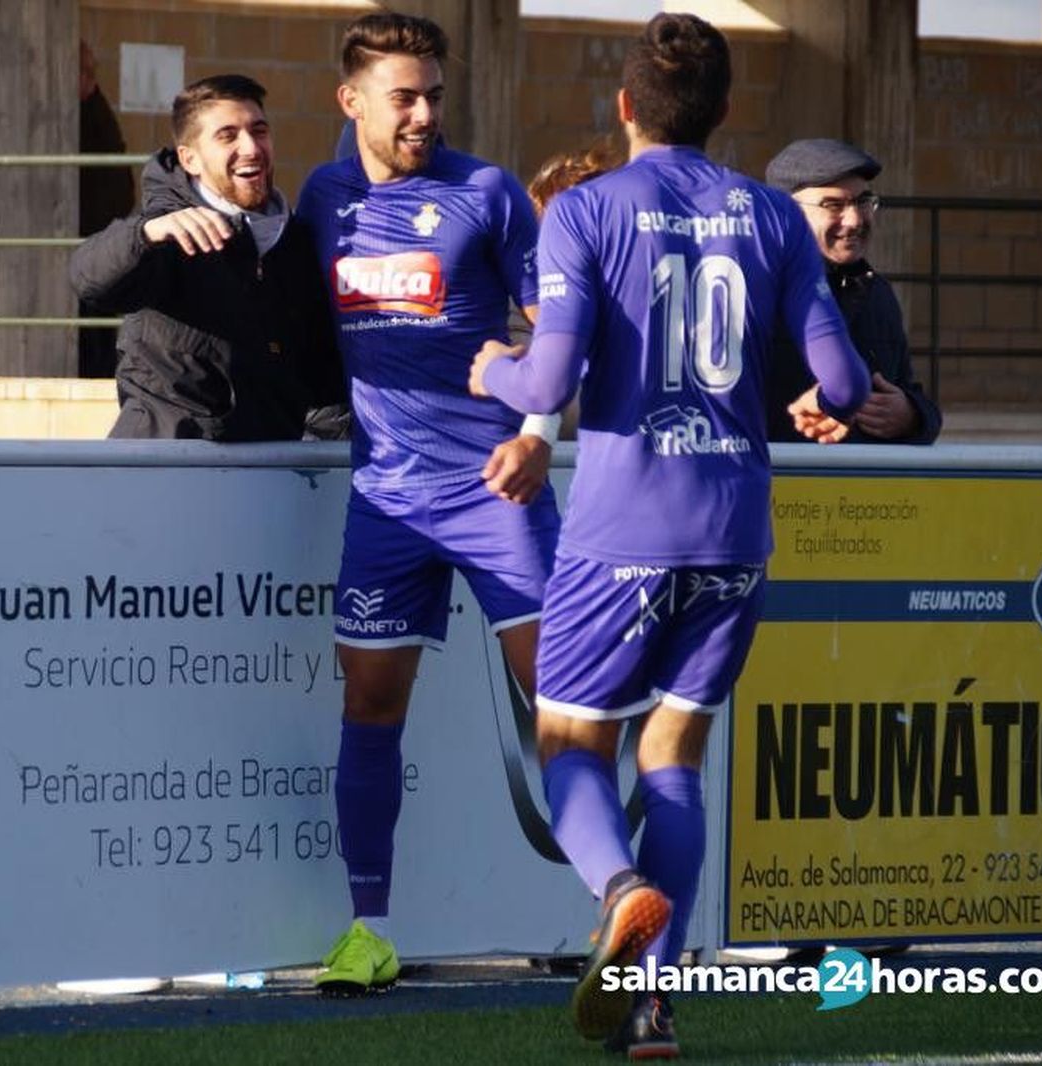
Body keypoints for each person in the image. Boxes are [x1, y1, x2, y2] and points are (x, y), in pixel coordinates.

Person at [470, 13, 870, 1057]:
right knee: (673, 757)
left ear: (623, 106)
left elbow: (549, 378)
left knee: (569, 743)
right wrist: (818, 404)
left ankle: (620, 890)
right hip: (734, 535)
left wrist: (492, 369)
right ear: (724, 109)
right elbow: (843, 381)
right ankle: (652, 1004)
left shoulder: (586, 208)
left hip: (622, 531)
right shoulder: (771, 214)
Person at [295, 11, 562, 996]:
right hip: (387, 499)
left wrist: (538, 433)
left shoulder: (486, 191)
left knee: (563, 702)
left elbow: (560, 330)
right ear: (350, 101)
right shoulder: (323, 198)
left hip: (494, 487)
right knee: (369, 705)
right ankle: (368, 930)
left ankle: (626, 906)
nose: (423, 115)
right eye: (402, 97)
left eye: (434, 96)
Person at [68, 74, 347, 441]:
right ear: (190, 159)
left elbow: (321, 377)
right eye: (227, 136)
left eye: (259, 131)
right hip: (168, 463)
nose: (251, 148)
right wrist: (146, 235)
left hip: (270, 466)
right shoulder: (165, 234)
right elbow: (89, 278)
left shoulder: (296, 244)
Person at [764, 138, 942, 444]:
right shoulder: (754, 292)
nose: (855, 220)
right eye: (833, 205)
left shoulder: (876, 292)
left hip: (863, 475)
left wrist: (911, 415)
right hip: (780, 473)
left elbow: (907, 388)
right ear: (785, 212)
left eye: (863, 202)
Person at [76, 39, 135, 380]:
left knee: (95, 334)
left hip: (94, 241)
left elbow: (114, 187)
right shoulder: (87, 116)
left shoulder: (95, 119)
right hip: (90, 243)